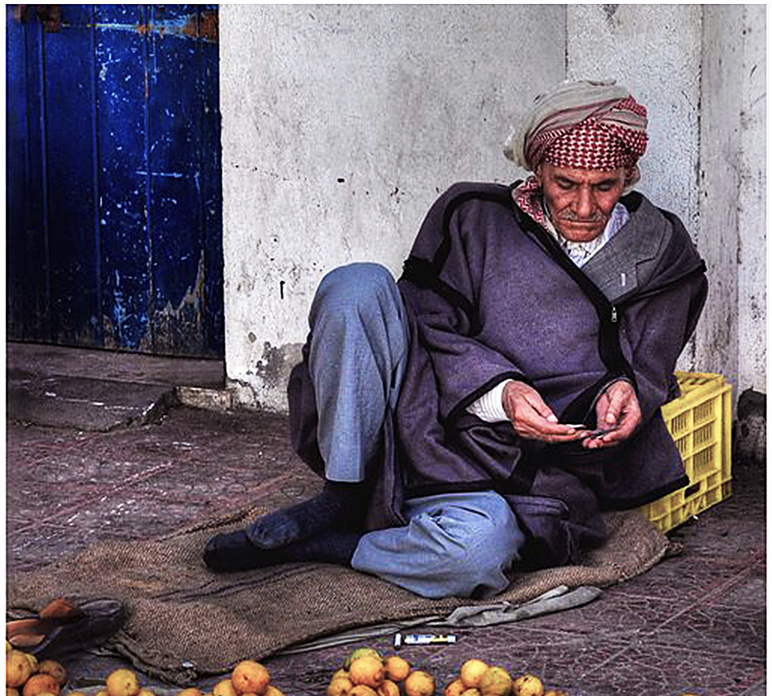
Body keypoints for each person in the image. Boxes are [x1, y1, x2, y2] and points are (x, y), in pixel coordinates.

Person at [204, 79, 707, 598]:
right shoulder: (472, 215)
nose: (583, 205)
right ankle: (344, 492)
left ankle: (332, 544)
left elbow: (647, 366)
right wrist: (502, 391)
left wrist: (625, 393)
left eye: (604, 186)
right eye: (565, 184)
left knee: (476, 554)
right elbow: (426, 320)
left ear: (629, 177)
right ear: (537, 172)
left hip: (515, 465)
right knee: (356, 287)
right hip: (421, 411)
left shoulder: (662, 250)